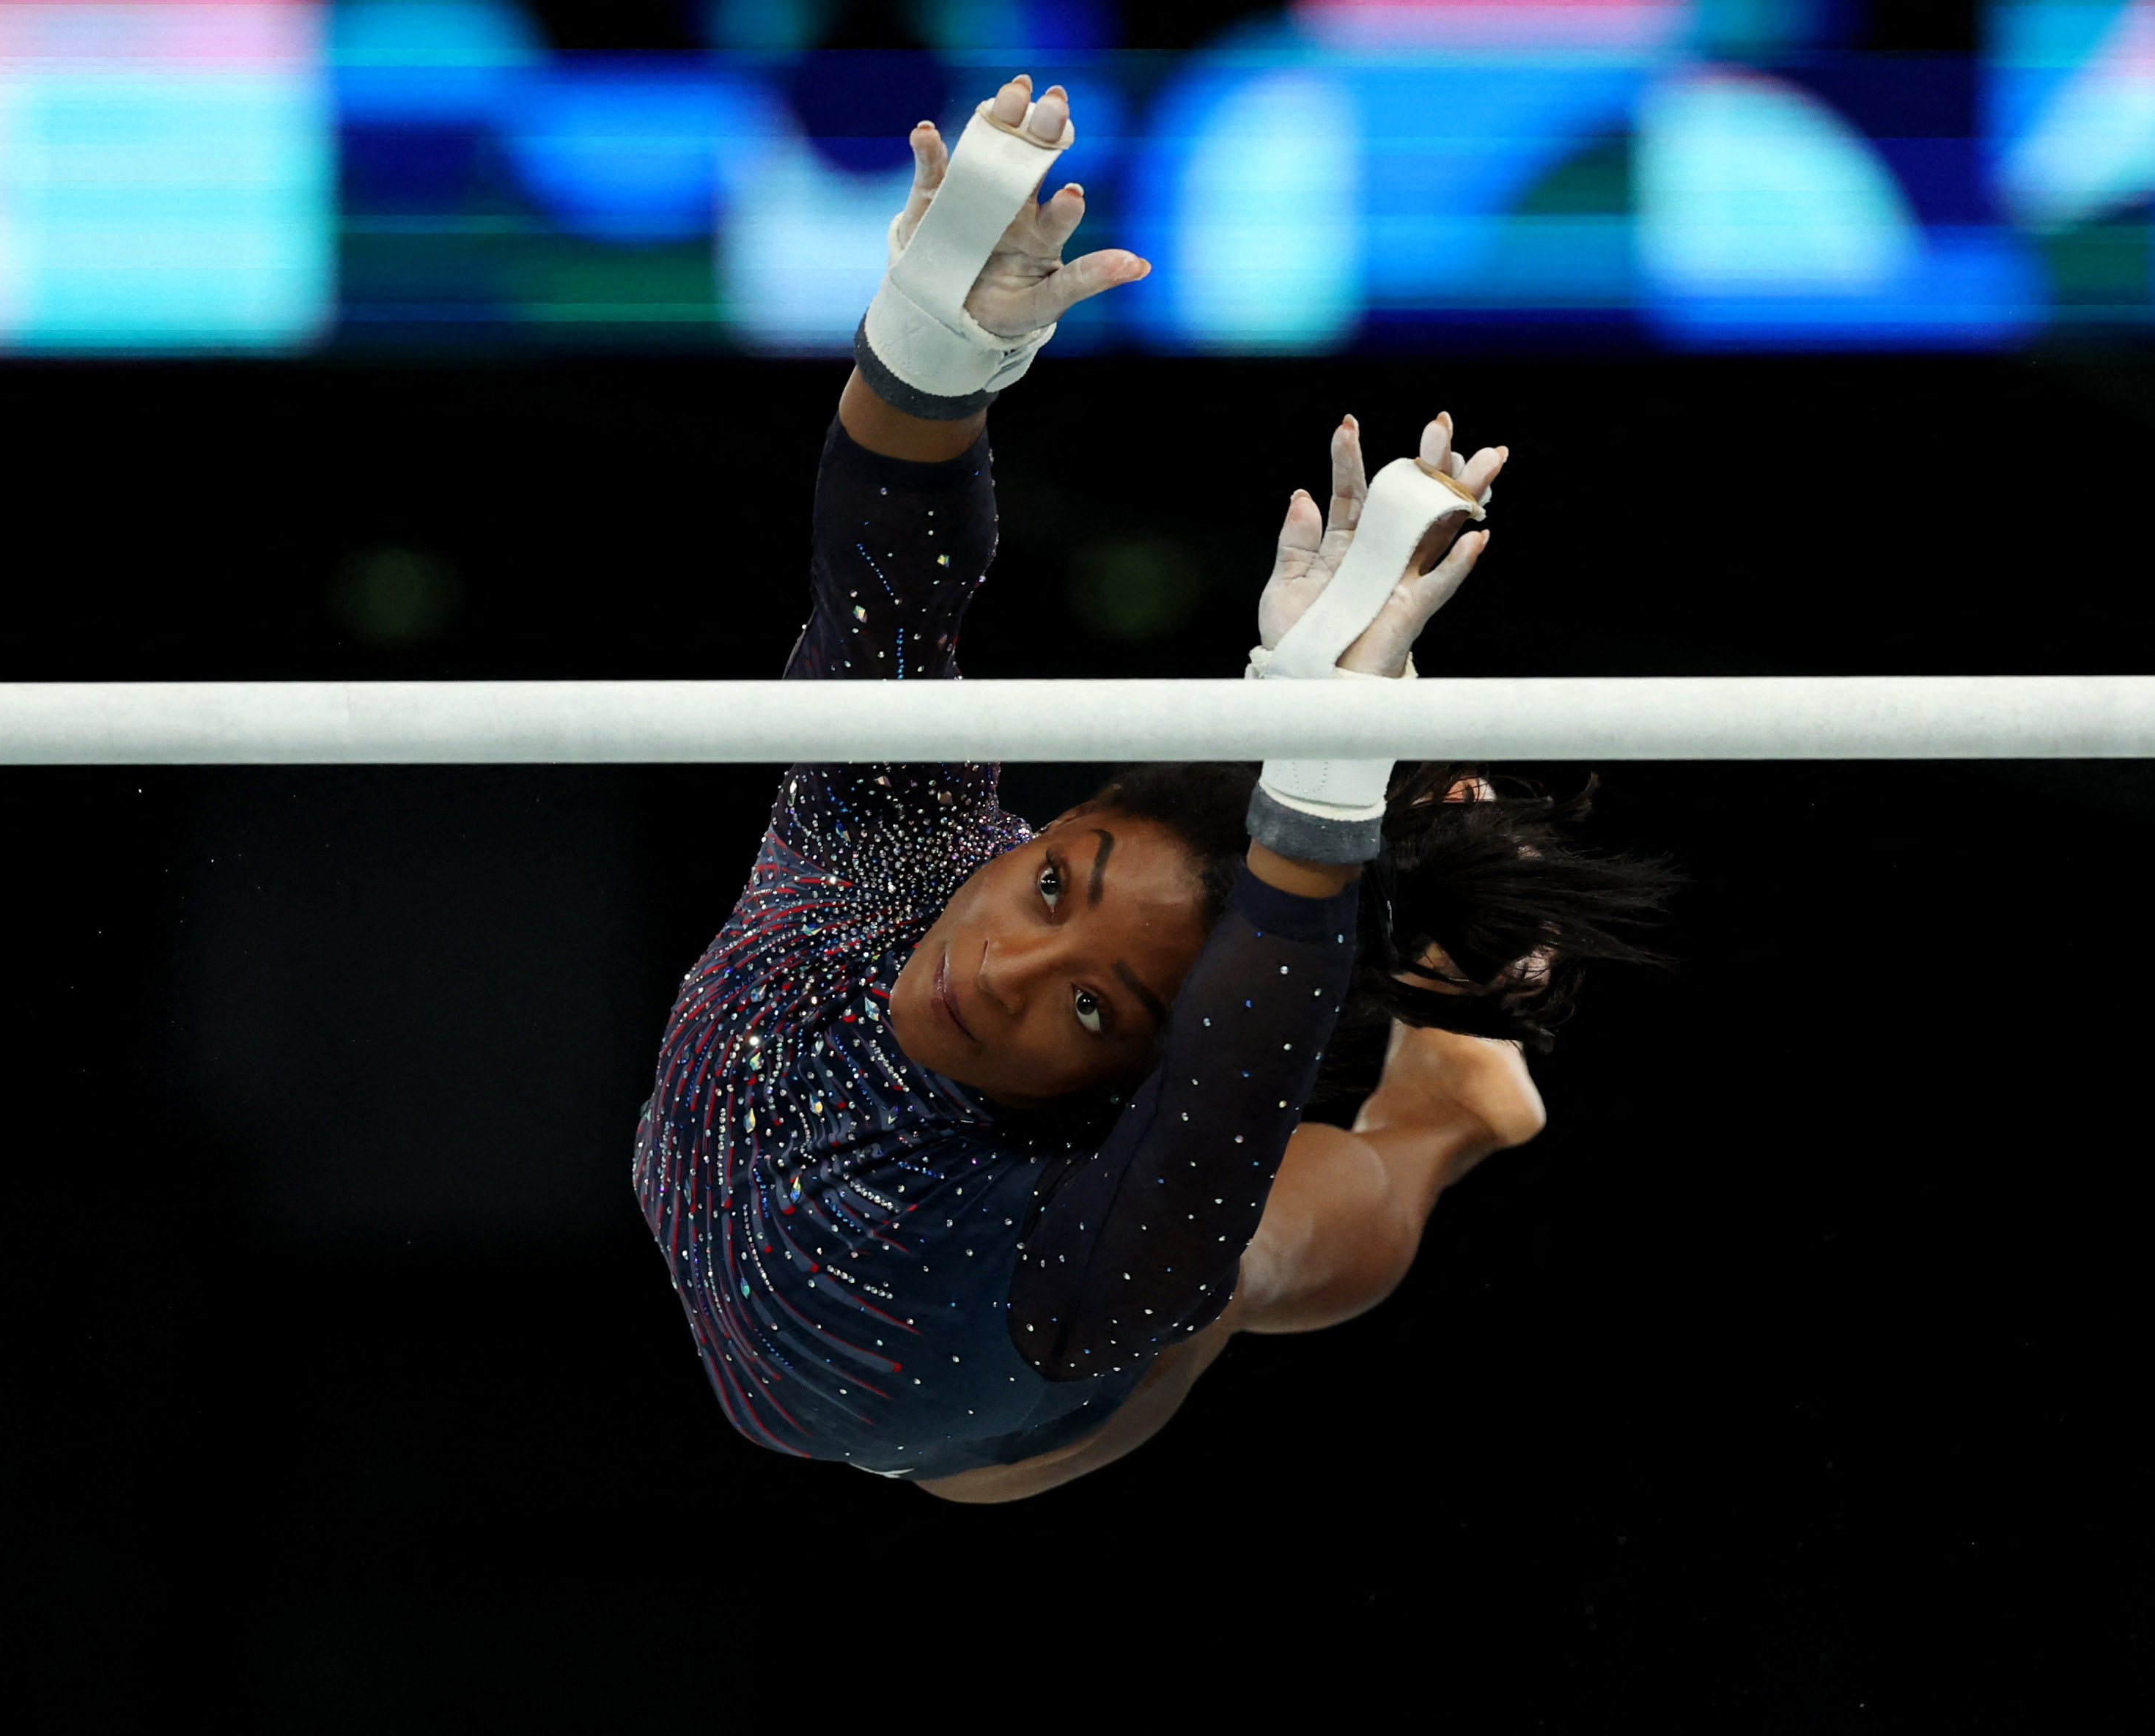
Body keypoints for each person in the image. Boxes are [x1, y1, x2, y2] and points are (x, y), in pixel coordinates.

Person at [634, 76, 1673, 1502]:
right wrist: (929, 352)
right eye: (1059, 882)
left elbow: (1235, 1064)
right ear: (1057, 820)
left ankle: (1453, 1103)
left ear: (1131, 1080)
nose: (1004, 962)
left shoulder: (1080, 1259)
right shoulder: (890, 846)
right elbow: (884, 587)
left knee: (1264, 1244)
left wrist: (1320, 791)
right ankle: (1352, 827)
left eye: (1088, 1008)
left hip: (999, 1425)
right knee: (1224, 1166)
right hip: (961, 1312)